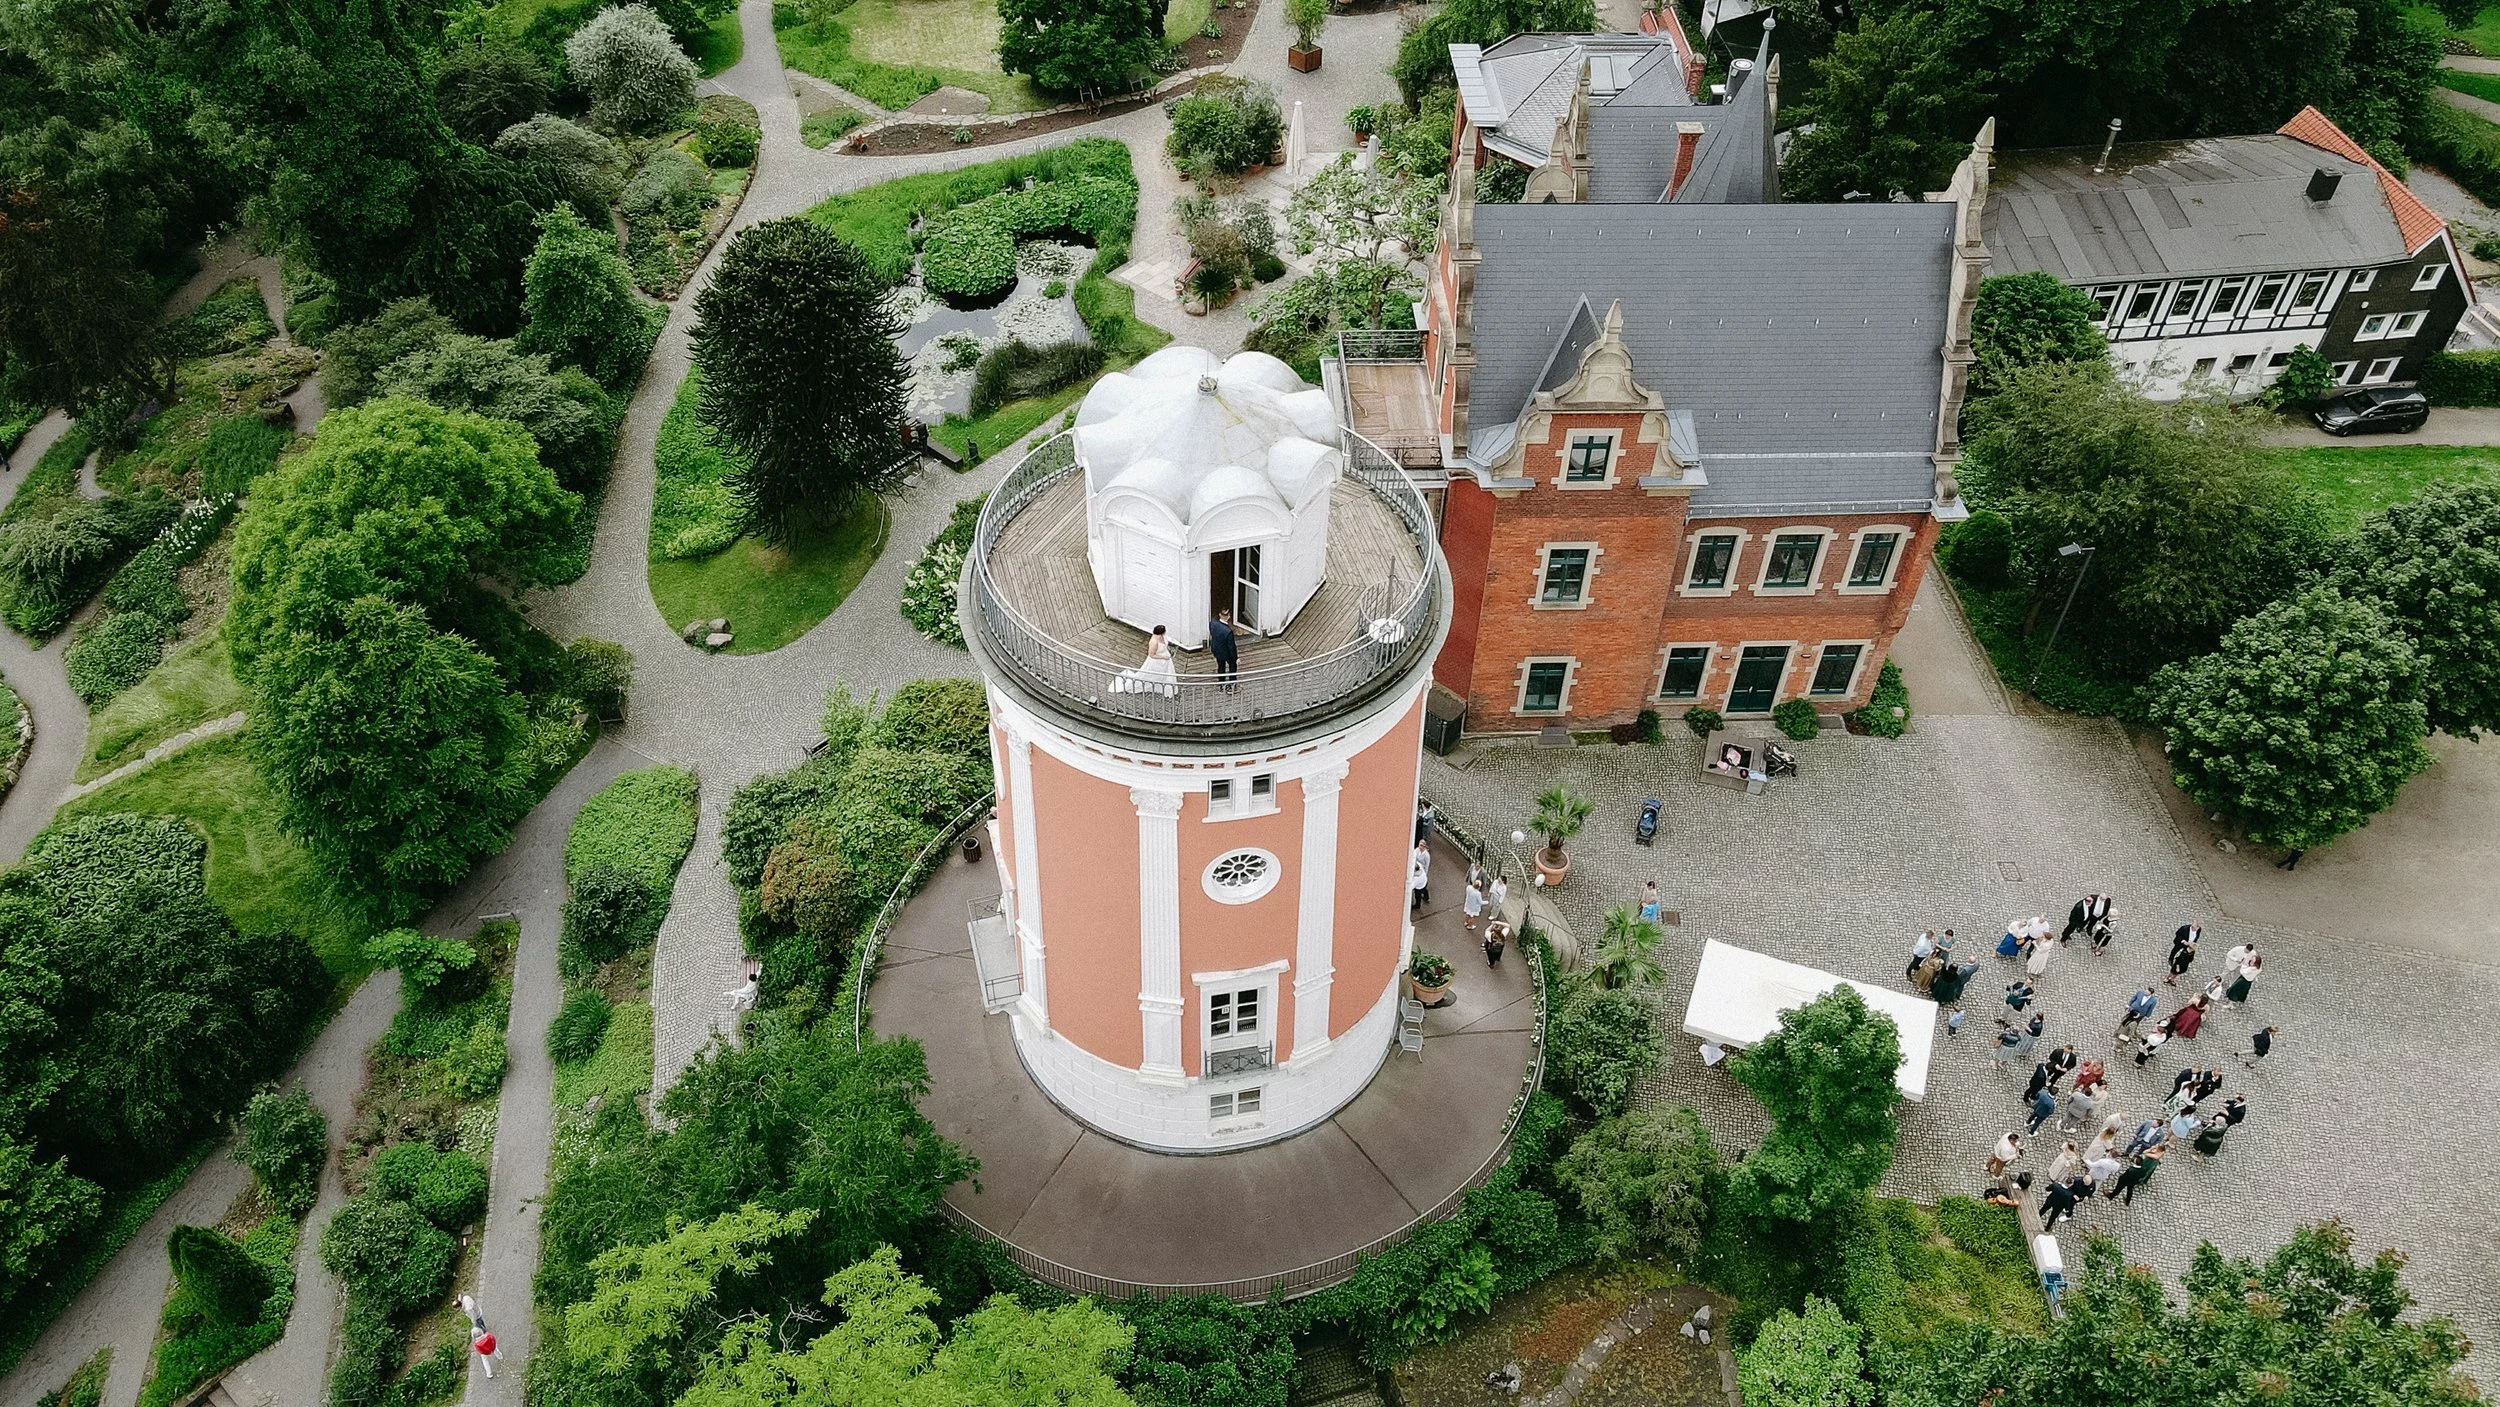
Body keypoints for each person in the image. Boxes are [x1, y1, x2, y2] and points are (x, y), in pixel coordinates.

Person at [1115, 625, 1179, 696]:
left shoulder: (1162, 637)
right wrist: (1163, 657)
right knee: (1151, 675)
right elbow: (1151, 655)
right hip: (1157, 661)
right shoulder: (1154, 642)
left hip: (1166, 660)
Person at [1208, 606, 1239, 689]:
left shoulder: (1213, 623)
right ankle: (1232, 684)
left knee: (1221, 666)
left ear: (1219, 615)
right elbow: (1231, 647)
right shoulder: (1228, 632)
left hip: (1217, 650)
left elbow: (1212, 633)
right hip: (1227, 653)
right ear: (1229, 616)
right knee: (1232, 667)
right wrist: (1236, 658)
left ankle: (1221, 683)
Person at [1461, 865, 1486, 932]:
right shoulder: (1478, 893)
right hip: (1474, 907)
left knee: (1467, 914)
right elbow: (1480, 902)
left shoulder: (1469, 888)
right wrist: (1486, 902)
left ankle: (1466, 922)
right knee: (1471, 916)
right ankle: (1470, 925)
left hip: (1468, 903)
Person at [1409, 839, 1431, 911]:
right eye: (1420, 845)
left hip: (1422, 872)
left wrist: (1425, 874)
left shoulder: (1426, 855)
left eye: (1423, 846)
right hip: (1419, 870)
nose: (1421, 847)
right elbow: (1414, 857)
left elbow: (1427, 865)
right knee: (1424, 888)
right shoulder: (1416, 851)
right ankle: (1426, 897)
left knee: (1421, 891)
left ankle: (1420, 903)